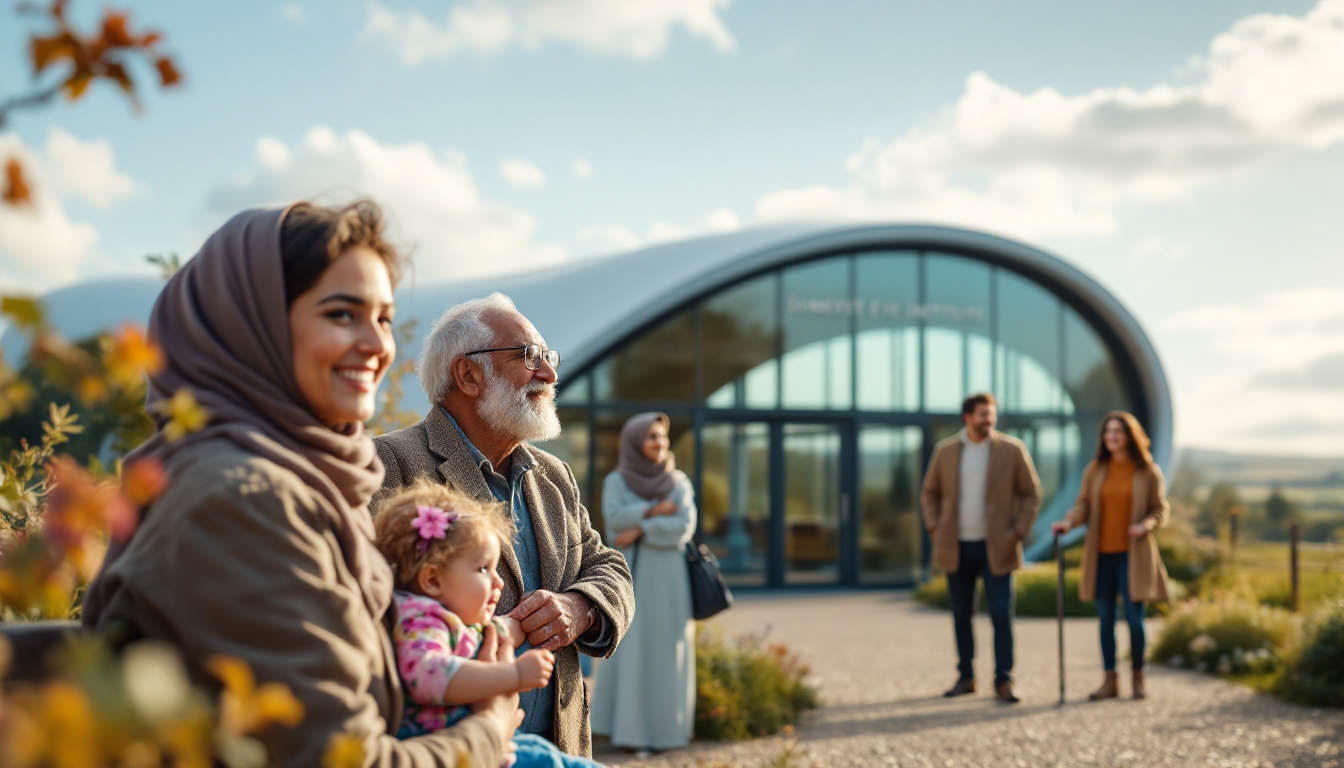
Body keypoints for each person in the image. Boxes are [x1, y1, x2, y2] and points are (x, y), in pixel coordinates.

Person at [82, 201, 520, 767]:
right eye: (342, 314)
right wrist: (489, 730)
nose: (376, 344)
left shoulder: (305, 480)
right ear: (248, 326)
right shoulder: (246, 497)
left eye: (384, 318)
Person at [373, 292, 634, 758]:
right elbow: (365, 612)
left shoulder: (554, 475)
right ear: (469, 375)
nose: (550, 375)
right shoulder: (387, 465)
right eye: (529, 357)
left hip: (560, 745)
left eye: (548, 358)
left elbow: (608, 566)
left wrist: (581, 607)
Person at [374, 479, 608, 768]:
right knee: (545, 760)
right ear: (432, 580)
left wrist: (534, 615)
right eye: (482, 568)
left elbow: (501, 628)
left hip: (482, 744)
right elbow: (430, 676)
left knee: (544, 754)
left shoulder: (456, 622)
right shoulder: (420, 621)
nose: (497, 581)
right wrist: (514, 675)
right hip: (452, 750)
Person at [921, 393, 1041, 704]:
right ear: (967, 418)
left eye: (991, 415)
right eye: (982, 415)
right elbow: (929, 492)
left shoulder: (1012, 450)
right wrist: (934, 526)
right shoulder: (945, 451)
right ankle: (966, 677)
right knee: (961, 614)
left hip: (997, 547)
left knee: (1001, 614)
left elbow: (1030, 493)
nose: (988, 420)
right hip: (956, 546)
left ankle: (1003, 680)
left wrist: (1018, 531)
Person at [590, 413, 697, 755]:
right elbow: (614, 521)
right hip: (632, 578)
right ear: (635, 441)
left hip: (669, 582)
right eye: (652, 437)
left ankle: (667, 733)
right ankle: (630, 733)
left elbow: (683, 526)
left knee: (667, 651)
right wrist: (654, 512)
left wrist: (641, 528)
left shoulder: (678, 481)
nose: (660, 443)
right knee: (633, 650)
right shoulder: (617, 480)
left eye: (663, 436)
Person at [1052, 411, 1170, 701]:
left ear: (1130, 435)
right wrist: (1068, 522)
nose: (1112, 436)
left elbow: (1160, 509)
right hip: (1101, 555)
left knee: (1134, 619)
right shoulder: (1096, 469)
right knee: (1105, 619)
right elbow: (1083, 504)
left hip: (1134, 555)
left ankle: (1138, 678)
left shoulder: (1147, 471)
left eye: (1118, 431)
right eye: (1108, 432)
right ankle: (1109, 681)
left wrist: (1145, 525)